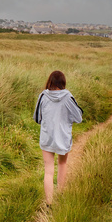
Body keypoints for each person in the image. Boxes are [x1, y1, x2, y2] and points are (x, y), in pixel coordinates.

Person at [33, 70, 84, 207]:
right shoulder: (68, 97)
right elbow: (79, 117)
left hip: (47, 137)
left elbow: (37, 118)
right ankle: (60, 197)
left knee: (48, 170)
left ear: (49, 81)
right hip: (63, 137)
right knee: (62, 164)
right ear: (63, 82)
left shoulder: (43, 96)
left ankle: (49, 203)